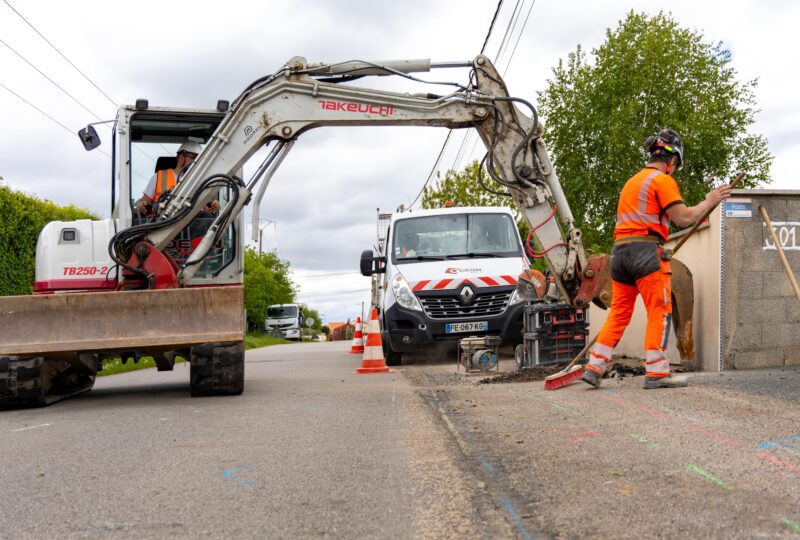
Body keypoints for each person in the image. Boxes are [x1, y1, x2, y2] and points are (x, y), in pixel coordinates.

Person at [582, 128, 732, 389]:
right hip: (646, 253)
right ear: (672, 161)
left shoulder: (631, 182)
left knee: (619, 313)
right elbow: (684, 218)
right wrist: (710, 200)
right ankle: (657, 373)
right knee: (659, 311)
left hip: (620, 253)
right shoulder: (662, 181)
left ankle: (594, 367)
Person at [134, 141, 220, 216]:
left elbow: (205, 207)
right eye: (194, 158)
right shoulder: (160, 177)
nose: (197, 162)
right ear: (181, 157)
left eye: (199, 158)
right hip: (161, 225)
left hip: (189, 226)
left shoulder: (198, 181)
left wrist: (213, 205)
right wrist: (140, 204)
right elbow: (143, 202)